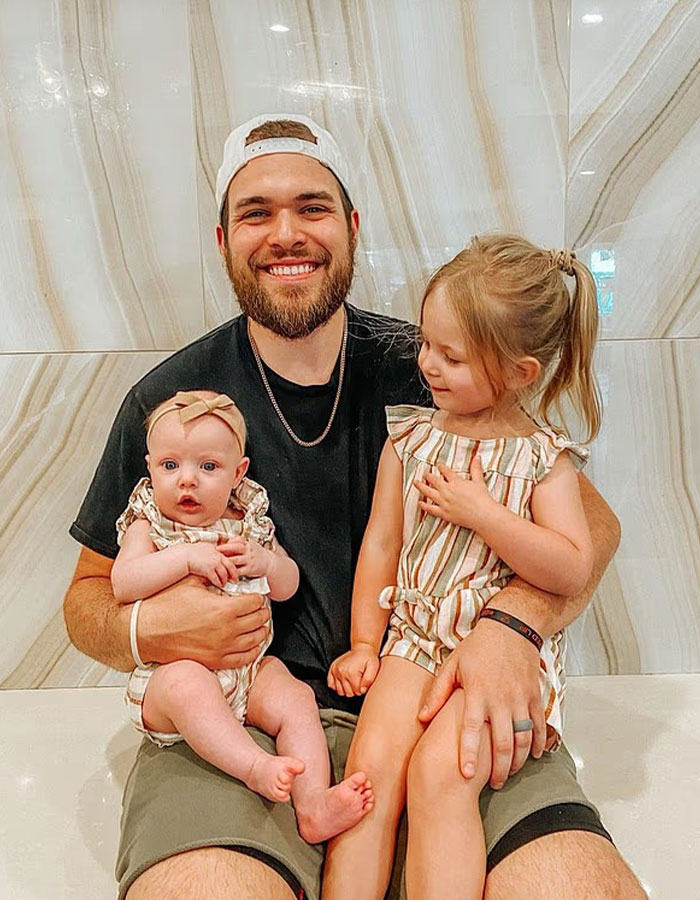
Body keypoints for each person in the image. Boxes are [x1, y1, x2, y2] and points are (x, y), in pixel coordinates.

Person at [63, 114, 647, 900]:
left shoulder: (438, 366)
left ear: (351, 227)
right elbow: (86, 598)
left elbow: (594, 527)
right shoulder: (172, 400)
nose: (286, 233)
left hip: (445, 696)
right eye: (256, 213)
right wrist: (146, 628)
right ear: (223, 239)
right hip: (241, 720)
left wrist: (514, 626)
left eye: (312, 207)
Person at [323, 234, 600, 900]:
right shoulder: (413, 437)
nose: (428, 365)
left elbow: (571, 565)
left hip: (496, 662)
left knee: (441, 778)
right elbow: (382, 546)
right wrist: (366, 641)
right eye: (426, 344)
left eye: (452, 356)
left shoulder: (543, 461)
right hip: (411, 643)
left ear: (520, 372)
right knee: (370, 775)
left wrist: (487, 514)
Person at [111, 389, 373, 840]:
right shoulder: (149, 523)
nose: (186, 481)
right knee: (188, 686)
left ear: (238, 473)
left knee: (295, 698)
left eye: (207, 467)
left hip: (249, 671)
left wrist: (267, 563)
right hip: (171, 676)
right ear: (151, 467)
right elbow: (124, 582)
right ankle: (253, 766)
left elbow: (288, 585)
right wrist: (187, 558)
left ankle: (312, 804)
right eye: (170, 466)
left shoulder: (249, 521)